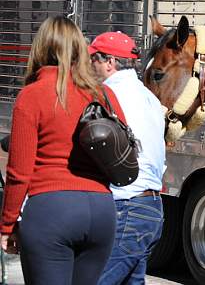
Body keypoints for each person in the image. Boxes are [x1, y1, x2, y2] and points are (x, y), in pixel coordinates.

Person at [0, 16, 126, 284]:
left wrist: (7, 225)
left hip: (52, 211)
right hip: (102, 212)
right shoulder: (103, 95)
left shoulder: (32, 96)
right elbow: (124, 150)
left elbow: (19, 172)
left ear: (41, 48)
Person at [89, 31, 166, 285]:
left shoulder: (108, 96)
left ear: (110, 62)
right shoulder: (150, 99)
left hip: (126, 206)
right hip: (151, 206)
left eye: (94, 60)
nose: (90, 66)